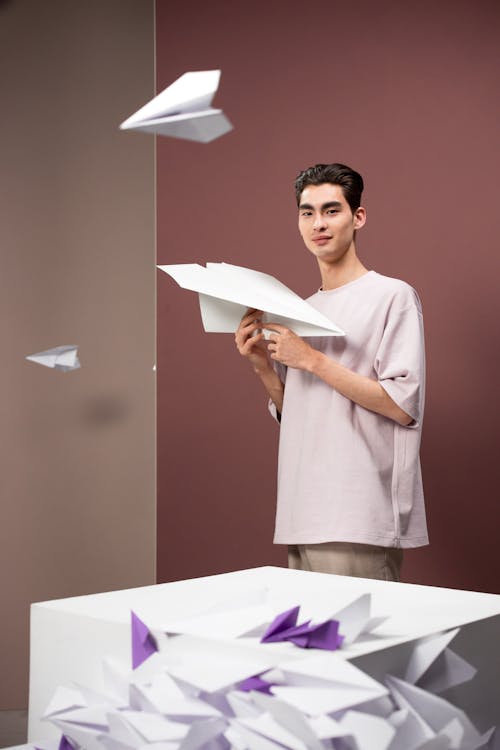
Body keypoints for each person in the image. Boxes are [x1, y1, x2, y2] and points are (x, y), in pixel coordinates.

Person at [235, 163, 428, 581]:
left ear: (357, 217)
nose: (317, 224)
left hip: (357, 509)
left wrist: (311, 360)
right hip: (303, 508)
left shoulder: (391, 296)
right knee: (316, 646)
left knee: (360, 642)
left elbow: (401, 405)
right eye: (307, 212)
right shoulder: (302, 310)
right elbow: (304, 415)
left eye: (331, 210)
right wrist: (264, 369)